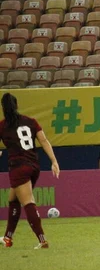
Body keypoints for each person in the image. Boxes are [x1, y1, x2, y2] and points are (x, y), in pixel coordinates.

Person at [0, 93, 60, 249]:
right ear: (17, 105)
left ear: (3, 108)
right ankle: (8, 238)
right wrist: (53, 161)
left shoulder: (2, 125)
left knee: (28, 202)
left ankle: (42, 240)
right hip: (33, 166)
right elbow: (44, 141)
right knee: (13, 199)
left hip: (18, 167)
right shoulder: (31, 121)